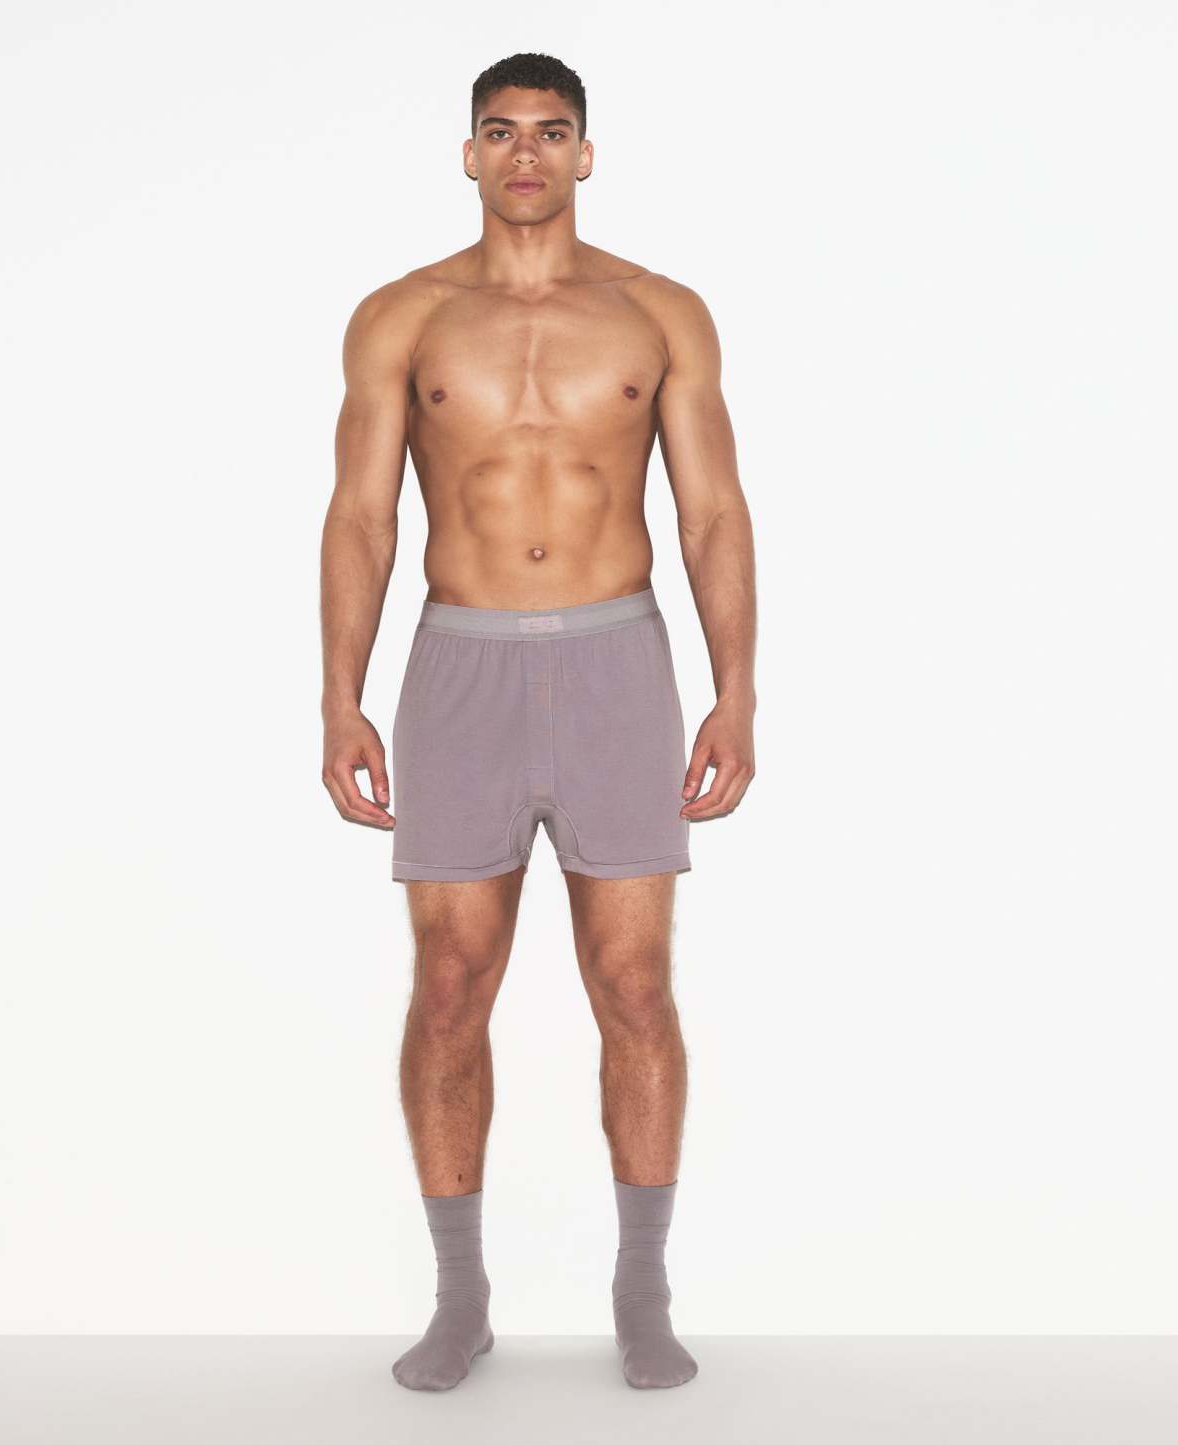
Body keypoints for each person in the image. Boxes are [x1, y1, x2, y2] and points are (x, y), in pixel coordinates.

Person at [318, 52, 757, 1391]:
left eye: (551, 132)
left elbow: (710, 513)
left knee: (634, 983)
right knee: (451, 983)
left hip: (619, 659)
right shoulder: (402, 316)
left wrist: (736, 688)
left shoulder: (656, 311)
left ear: (585, 154)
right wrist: (339, 694)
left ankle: (643, 1292)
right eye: (501, 132)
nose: (525, 154)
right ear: (468, 154)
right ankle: (461, 1300)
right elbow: (361, 517)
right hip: (459, 667)